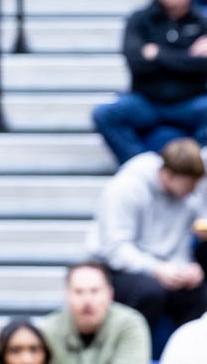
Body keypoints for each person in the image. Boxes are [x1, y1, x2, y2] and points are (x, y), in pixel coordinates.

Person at [93, 0, 207, 164]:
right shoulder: (139, 20)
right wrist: (187, 57)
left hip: (190, 102)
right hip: (146, 101)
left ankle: (191, 169)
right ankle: (144, 167)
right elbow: (136, 64)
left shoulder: (202, 20)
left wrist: (158, 54)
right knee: (105, 114)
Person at [87, 139, 207, 336]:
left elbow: (180, 246)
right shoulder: (126, 187)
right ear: (168, 175)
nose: (194, 190)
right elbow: (115, 249)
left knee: (197, 294)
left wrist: (187, 269)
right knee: (149, 292)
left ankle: (187, 351)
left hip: (163, 268)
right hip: (115, 269)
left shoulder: (186, 195)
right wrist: (156, 269)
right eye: (190, 184)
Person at [39, 262, 152, 364]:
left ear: (110, 294)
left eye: (95, 291)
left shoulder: (131, 323)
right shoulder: (48, 329)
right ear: (67, 295)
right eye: (79, 292)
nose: (87, 300)